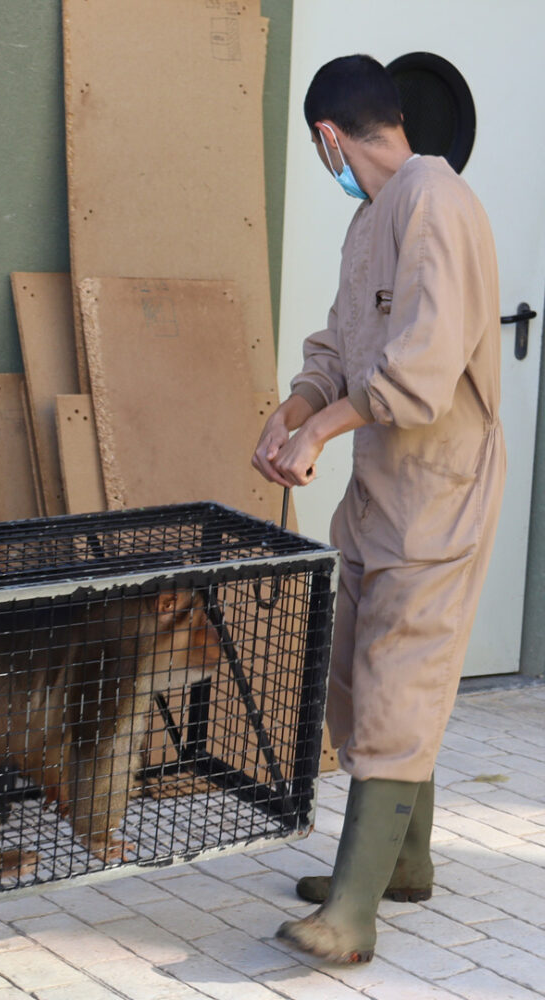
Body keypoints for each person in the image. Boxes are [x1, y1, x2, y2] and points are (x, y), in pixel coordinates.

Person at [252, 54, 505, 964]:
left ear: (329, 136)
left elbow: (422, 370)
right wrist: (292, 411)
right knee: (363, 667)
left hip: (438, 486)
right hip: (380, 486)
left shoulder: (438, 203)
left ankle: (351, 912)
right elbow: (341, 344)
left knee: (402, 673)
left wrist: (321, 432)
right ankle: (404, 862)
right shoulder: (374, 218)